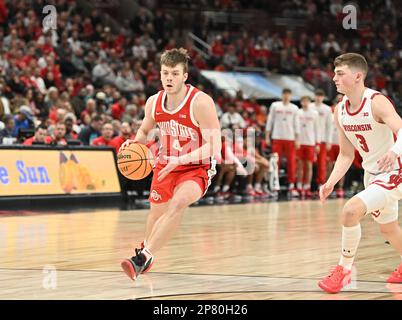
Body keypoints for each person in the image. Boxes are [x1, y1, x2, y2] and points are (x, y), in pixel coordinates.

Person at [119, 48, 221, 281]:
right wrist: (134, 145)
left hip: (196, 166)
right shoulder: (153, 102)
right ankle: (148, 252)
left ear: (185, 76)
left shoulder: (201, 102)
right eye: (165, 73)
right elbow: (145, 130)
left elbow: (214, 147)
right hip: (165, 164)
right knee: (156, 214)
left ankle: (142, 258)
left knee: (178, 203)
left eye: (175, 74)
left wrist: (182, 159)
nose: (169, 78)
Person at [318, 53, 402, 293]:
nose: (334, 78)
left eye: (340, 73)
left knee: (350, 211)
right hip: (372, 174)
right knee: (388, 229)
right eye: (334, 73)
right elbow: (346, 154)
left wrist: (396, 152)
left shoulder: (376, 101)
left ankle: (343, 271)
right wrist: (331, 182)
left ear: (357, 76)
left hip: (396, 171)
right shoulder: (339, 111)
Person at [265, 88, 300, 196]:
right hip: (277, 137)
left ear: (290, 96)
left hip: (290, 138)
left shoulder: (294, 108)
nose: (286, 96)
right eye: (284, 94)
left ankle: (291, 185)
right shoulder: (275, 105)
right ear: (282, 95)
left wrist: (297, 139)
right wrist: (267, 136)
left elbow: (296, 124)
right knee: (275, 162)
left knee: (291, 162)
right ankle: (274, 186)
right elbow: (270, 121)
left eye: (288, 94)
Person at [296, 96, 319, 198]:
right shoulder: (298, 112)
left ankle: (307, 186)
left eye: (307, 101)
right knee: (300, 165)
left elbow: (317, 129)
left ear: (310, 102)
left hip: (310, 142)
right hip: (300, 142)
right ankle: (299, 185)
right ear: (301, 102)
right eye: (303, 101)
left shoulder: (314, 114)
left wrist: (317, 143)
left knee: (309, 165)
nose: (305, 103)